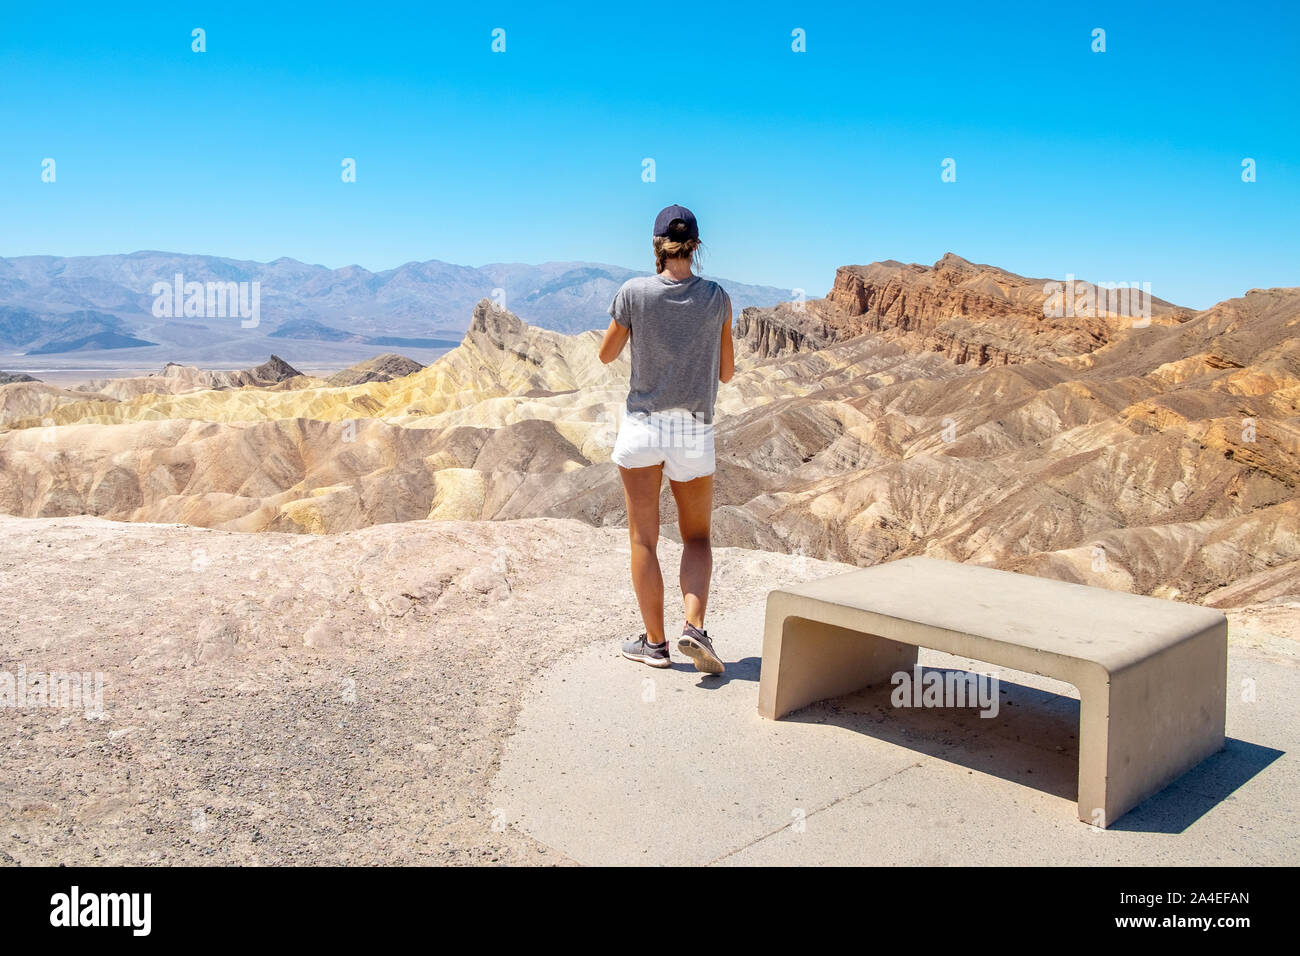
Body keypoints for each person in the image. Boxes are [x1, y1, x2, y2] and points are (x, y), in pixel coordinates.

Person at [598, 204, 734, 674]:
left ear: (656, 245)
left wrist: (641, 329)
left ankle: (654, 645)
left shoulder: (633, 293)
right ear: (696, 244)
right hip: (693, 428)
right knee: (696, 536)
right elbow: (728, 371)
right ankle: (693, 628)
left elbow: (606, 354)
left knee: (644, 540)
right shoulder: (717, 296)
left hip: (643, 427)